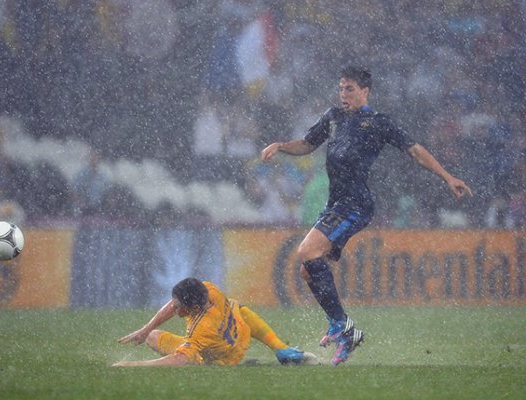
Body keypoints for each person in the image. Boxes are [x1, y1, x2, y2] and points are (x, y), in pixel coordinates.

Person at [261, 66, 472, 366]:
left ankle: (340, 325)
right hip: (336, 204)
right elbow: (307, 145)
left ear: (365, 91)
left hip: (356, 203)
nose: (343, 94)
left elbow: (415, 151)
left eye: (349, 88)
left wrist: (447, 177)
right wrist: (280, 146)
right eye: (341, 88)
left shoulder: (377, 123)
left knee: (307, 251)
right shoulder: (333, 118)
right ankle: (348, 333)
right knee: (310, 270)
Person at [113, 277, 318, 367]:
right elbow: (174, 303)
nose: (173, 309)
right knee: (239, 308)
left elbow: (180, 360)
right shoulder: (208, 290)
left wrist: (134, 364)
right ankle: (281, 348)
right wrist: (145, 328)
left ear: (193, 308)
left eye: (178, 306)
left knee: (172, 349)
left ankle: (216, 363)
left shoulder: (202, 328)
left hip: (228, 357)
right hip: (240, 329)